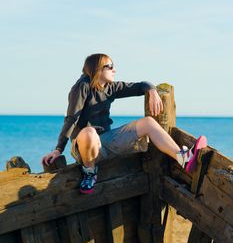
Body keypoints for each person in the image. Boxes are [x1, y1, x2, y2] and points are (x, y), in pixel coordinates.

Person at [42, 53, 207, 194]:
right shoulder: (82, 87)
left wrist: (152, 90)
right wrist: (58, 149)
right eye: (110, 66)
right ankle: (89, 172)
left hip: (106, 142)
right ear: (97, 69)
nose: (114, 69)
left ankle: (182, 158)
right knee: (89, 132)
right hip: (84, 146)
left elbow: (140, 85)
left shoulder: (111, 87)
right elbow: (71, 118)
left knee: (148, 123)